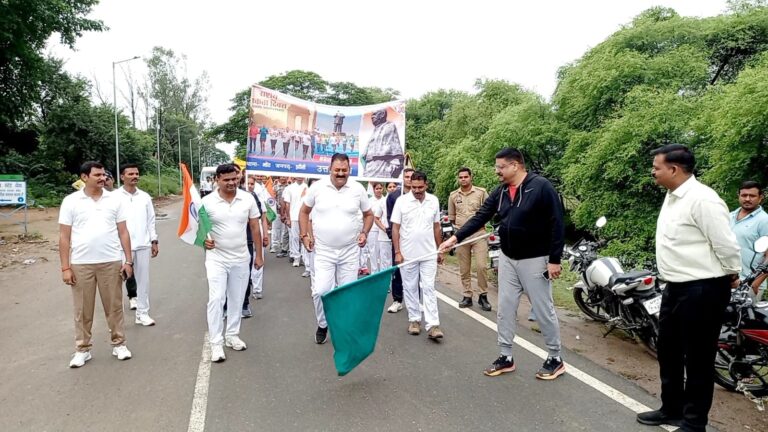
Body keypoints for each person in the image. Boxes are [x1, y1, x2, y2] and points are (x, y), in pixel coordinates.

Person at [635, 144, 741, 431]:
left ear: (674, 169)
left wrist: (732, 272)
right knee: (667, 350)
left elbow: (725, 244)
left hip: (703, 290)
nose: (653, 172)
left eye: (656, 167)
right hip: (675, 287)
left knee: (697, 358)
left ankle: (695, 422)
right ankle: (671, 408)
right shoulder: (673, 196)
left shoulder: (702, 199)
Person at [440, 148, 566, 380]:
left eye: (500, 167)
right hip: (508, 258)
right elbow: (480, 217)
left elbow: (557, 222)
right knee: (505, 309)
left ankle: (555, 358)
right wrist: (454, 239)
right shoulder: (500, 192)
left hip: (535, 259)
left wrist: (555, 259)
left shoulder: (541, 187)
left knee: (542, 309)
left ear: (515, 166)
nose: (496, 171)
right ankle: (506, 355)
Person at [59, 161, 135, 368]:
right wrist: (66, 267)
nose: (103, 178)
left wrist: (128, 260)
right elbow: (64, 237)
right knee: (82, 310)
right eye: (98, 175)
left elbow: (123, 231)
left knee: (114, 306)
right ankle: (82, 349)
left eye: (104, 175)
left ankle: (119, 344)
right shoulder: (71, 201)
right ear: (84, 177)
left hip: (110, 261)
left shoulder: (115, 200)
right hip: (81, 263)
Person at [299, 153, 373, 344]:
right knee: (321, 291)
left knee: (347, 293)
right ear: (329, 169)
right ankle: (323, 324)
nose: (341, 173)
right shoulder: (317, 188)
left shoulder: (358, 189)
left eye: (344, 170)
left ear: (350, 169)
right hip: (323, 250)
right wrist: (304, 235)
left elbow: (369, 215)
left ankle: (344, 329)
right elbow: (304, 212)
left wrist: (364, 232)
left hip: (349, 251)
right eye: (337, 170)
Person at [201, 164, 264, 363]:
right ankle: (216, 343)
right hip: (216, 258)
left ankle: (232, 335)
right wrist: (204, 240)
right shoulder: (206, 202)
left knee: (237, 298)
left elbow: (255, 226)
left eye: (234, 179)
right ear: (217, 180)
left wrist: (259, 255)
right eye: (226, 180)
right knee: (216, 299)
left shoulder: (247, 198)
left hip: (241, 257)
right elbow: (199, 229)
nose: (231, 183)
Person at [391, 171, 444, 340]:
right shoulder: (402, 201)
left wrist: (440, 249)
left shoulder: (433, 201)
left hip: (429, 253)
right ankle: (414, 320)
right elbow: (395, 229)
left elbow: (436, 227)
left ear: (426, 185)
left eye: (420, 187)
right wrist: (398, 252)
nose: (417, 190)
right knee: (410, 287)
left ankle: (433, 325)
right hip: (408, 255)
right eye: (414, 187)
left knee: (428, 287)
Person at [117, 164, 159, 326]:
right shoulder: (114, 197)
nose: (135, 176)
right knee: (116, 281)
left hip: (143, 244)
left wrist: (154, 240)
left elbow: (151, 220)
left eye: (137, 173)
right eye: (130, 174)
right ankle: (116, 319)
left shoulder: (145, 197)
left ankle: (142, 313)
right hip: (120, 247)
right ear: (122, 177)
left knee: (143, 281)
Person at [448, 167, 491, 311]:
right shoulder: (453, 196)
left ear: (471, 177)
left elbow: (490, 210)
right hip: (461, 235)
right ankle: (467, 295)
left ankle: (483, 295)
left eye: (466, 177)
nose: (463, 179)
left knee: (481, 266)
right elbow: (452, 217)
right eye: (460, 177)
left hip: (479, 234)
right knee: (464, 268)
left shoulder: (481, 193)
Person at [729, 181, 768, 299]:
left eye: (752, 196)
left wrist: (755, 284)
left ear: (760, 198)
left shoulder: (764, 220)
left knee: (745, 317)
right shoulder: (729, 216)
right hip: (726, 281)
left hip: (749, 284)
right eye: (744, 195)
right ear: (738, 196)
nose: (747, 199)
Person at [385, 168, 414, 313]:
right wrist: (393, 237)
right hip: (398, 240)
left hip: (414, 241)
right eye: (407, 176)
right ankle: (397, 299)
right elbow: (390, 219)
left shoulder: (421, 196)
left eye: (411, 176)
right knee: (397, 270)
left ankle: (414, 300)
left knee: (415, 271)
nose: (409, 179)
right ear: (402, 178)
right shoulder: (394, 196)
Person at [242, 173, 269, 313]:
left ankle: (257, 290)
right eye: (247, 183)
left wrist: (265, 234)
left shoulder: (258, 198)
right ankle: (243, 297)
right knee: (245, 268)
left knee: (258, 262)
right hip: (243, 238)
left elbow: (263, 218)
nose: (250, 186)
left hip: (256, 235)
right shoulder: (238, 198)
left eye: (252, 184)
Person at [362, 108, 404, 178]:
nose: (372, 117)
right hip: (371, 165)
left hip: (382, 164)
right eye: (372, 115)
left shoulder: (389, 126)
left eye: (374, 114)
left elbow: (390, 149)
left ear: (382, 114)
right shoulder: (376, 129)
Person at [283, 177, 308, 267]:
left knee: (304, 237)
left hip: (305, 217)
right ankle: (296, 258)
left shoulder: (307, 187)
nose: (300, 177)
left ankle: (305, 259)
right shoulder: (289, 188)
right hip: (294, 216)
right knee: (294, 238)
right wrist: (288, 218)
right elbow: (287, 204)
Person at [367, 183, 385, 273]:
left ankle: (382, 273)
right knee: (373, 252)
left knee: (383, 253)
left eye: (380, 188)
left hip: (383, 230)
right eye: (377, 188)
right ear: (373, 190)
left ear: (383, 189)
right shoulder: (369, 201)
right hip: (373, 229)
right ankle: (374, 272)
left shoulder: (386, 200)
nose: (379, 190)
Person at [271, 176, 290, 256]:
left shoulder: (289, 187)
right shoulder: (275, 187)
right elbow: (271, 199)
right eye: (281, 177)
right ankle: (275, 245)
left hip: (286, 211)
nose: (283, 178)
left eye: (284, 177)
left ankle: (284, 247)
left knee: (285, 230)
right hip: (276, 211)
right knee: (275, 228)